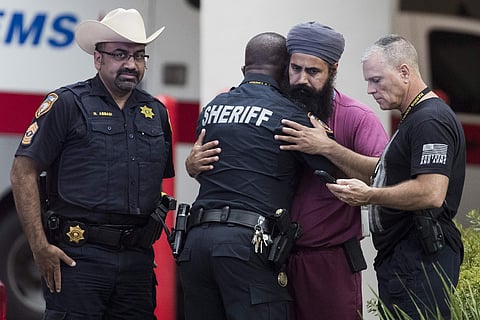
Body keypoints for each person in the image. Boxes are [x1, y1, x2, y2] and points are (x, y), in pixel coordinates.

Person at [186, 22, 389, 320]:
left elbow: (384, 176)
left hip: (326, 261)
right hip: (268, 255)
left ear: (333, 70)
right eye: (295, 69)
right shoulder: (280, 110)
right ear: (284, 69)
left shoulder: (356, 117)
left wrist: (328, 147)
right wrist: (192, 166)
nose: (301, 80)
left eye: (313, 72)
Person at [10, 8, 174, 319]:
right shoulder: (68, 103)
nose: (132, 64)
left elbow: (157, 185)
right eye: (120, 54)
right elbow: (22, 173)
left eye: (139, 55)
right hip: (78, 259)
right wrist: (39, 247)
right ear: (98, 59)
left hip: (137, 263)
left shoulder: (156, 113)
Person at [177, 32, 335, 320]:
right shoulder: (290, 115)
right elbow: (332, 174)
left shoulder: (212, 108)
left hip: (195, 244)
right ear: (285, 71)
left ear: (244, 70)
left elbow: (213, 168)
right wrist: (327, 143)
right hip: (247, 246)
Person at [327, 34, 466, 320]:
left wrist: (368, 195)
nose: (370, 89)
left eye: (376, 80)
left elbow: (431, 192)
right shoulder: (415, 116)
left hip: (420, 258)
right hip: (405, 257)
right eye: (368, 81)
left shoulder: (431, 120)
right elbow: (383, 170)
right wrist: (327, 148)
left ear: (404, 71)